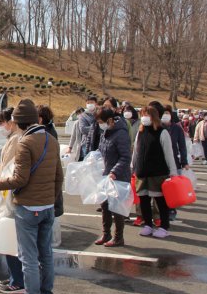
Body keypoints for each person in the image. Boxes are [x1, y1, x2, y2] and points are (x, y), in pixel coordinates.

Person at [0, 99, 63, 294]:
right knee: (46, 254)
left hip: (28, 208)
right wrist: (49, 199)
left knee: (28, 258)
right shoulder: (51, 140)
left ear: (18, 122)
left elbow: (19, 179)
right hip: (47, 207)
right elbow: (59, 176)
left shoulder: (25, 142)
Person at [0, 107, 26, 294]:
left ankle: (18, 280)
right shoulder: (16, 138)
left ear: (11, 121)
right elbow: (8, 166)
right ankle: (15, 277)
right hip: (10, 193)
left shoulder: (16, 139)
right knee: (13, 239)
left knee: (11, 240)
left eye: (2, 123)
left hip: (10, 195)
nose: (1, 127)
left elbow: (11, 170)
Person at [132, 106, 178, 239]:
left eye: (147, 114)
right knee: (144, 199)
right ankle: (147, 224)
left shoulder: (162, 132)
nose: (144, 117)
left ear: (154, 116)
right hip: (141, 172)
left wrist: (173, 172)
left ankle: (164, 226)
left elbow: (169, 153)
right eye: (142, 114)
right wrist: (132, 168)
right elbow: (136, 151)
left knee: (160, 200)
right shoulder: (140, 131)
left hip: (158, 173)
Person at [94, 107, 131, 247]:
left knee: (117, 208)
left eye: (100, 121)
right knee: (105, 205)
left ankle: (118, 237)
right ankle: (106, 233)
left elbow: (125, 157)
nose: (99, 124)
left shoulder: (121, 134)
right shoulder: (106, 132)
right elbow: (102, 149)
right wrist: (95, 158)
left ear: (109, 120)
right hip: (106, 175)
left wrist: (114, 172)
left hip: (118, 176)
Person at [162, 105, 189, 222]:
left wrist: (184, 161)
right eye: (163, 113)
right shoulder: (158, 127)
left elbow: (182, 146)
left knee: (172, 188)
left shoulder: (176, 128)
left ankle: (171, 210)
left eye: (167, 113)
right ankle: (161, 212)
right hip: (160, 162)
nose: (165, 115)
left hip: (174, 162)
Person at [67, 96, 98, 160]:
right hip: (85, 145)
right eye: (88, 103)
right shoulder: (81, 119)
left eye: (92, 102)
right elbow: (76, 134)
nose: (90, 104)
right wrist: (70, 147)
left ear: (96, 103)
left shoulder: (99, 114)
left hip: (97, 144)